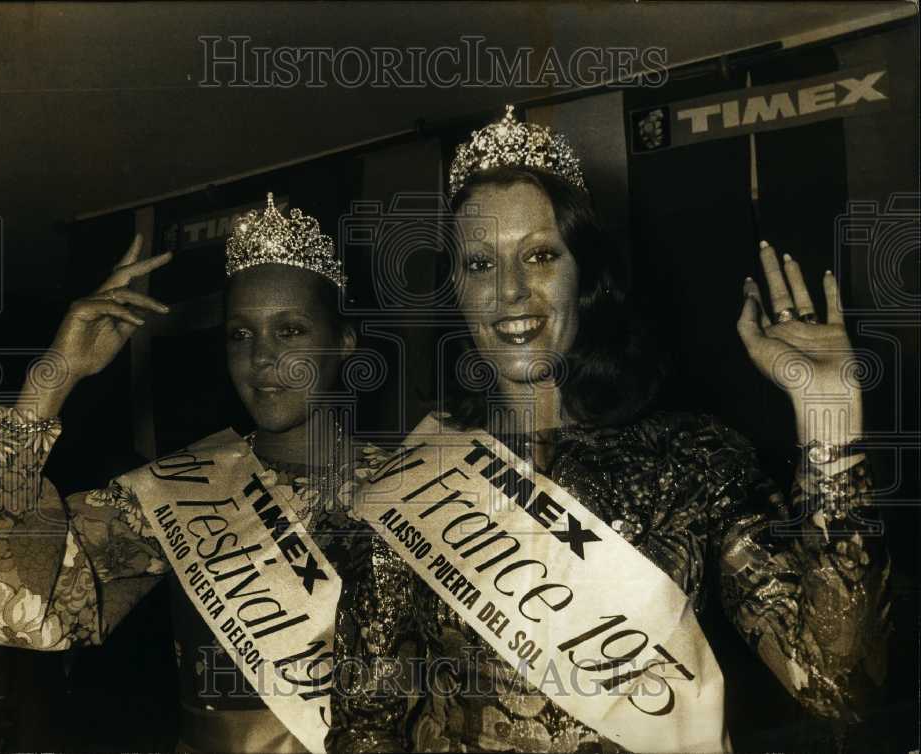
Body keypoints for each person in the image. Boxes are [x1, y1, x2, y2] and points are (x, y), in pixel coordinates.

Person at [326, 107, 891, 753]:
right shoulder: (408, 486)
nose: (511, 290)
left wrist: (829, 413)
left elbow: (837, 683)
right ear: (455, 287)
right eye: (481, 264)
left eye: (539, 255)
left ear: (584, 273)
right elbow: (364, 727)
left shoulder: (690, 462)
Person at [0, 194, 388, 754]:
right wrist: (55, 379)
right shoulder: (182, 490)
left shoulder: (414, 486)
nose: (262, 358)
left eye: (289, 330)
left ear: (344, 341)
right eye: (240, 334)